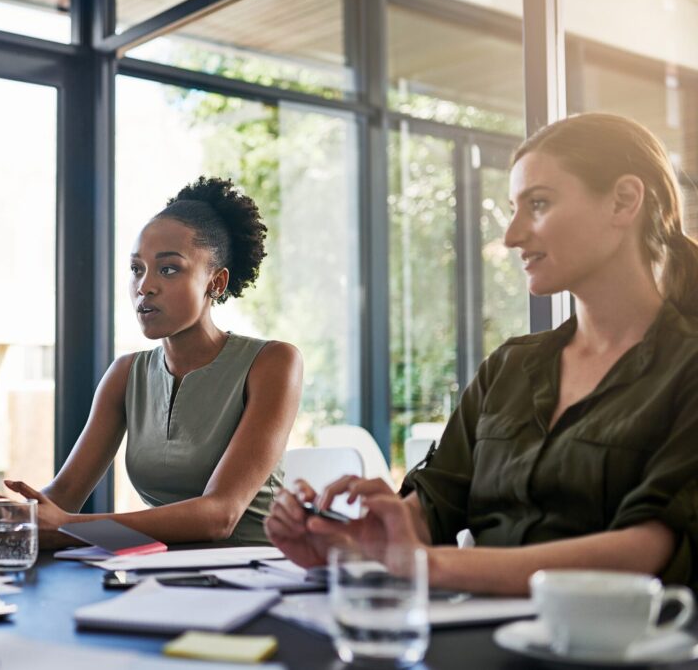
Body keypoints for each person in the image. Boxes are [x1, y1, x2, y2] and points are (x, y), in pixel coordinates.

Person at [267, 113, 698, 595]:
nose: (512, 235)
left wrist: (433, 566)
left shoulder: (686, 366)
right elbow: (435, 505)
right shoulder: (509, 367)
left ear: (623, 201)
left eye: (538, 204)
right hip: (476, 633)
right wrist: (348, 544)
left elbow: (647, 552)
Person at [0, 177, 303, 548]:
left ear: (216, 282)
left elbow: (220, 515)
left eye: (168, 269)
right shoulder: (126, 374)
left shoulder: (273, 362)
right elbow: (65, 494)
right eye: (137, 269)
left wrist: (73, 528)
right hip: (160, 577)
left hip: (259, 577)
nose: (144, 286)